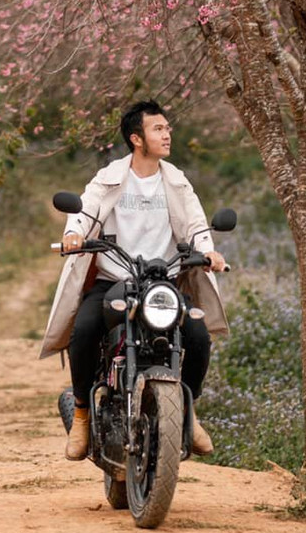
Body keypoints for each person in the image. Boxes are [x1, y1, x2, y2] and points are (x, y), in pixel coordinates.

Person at [39, 99, 229, 461]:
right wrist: (74, 235)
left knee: (199, 337)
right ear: (136, 138)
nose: (167, 133)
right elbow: (85, 209)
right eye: (159, 128)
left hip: (163, 284)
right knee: (83, 331)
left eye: (168, 128)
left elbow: (196, 223)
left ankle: (188, 413)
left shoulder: (176, 181)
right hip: (114, 282)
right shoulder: (109, 178)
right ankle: (81, 413)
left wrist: (209, 252)